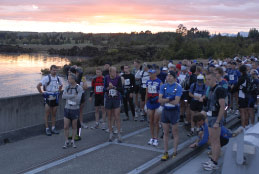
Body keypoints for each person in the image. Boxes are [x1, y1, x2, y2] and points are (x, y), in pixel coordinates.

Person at [202, 71, 226, 171]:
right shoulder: (210, 89)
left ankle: (215, 162)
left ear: (214, 79)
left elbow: (222, 106)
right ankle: (212, 159)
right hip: (210, 116)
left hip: (216, 117)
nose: (207, 81)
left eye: (209, 79)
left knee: (215, 141)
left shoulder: (219, 89)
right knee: (212, 140)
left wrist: (217, 121)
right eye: (206, 79)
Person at [159, 71, 182, 161]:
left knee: (175, 132)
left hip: (174, 111)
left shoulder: (178, 87)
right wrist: (169, 99)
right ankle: (165, 152)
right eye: (168, 76)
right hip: (166, 111)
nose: (169, 77)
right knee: (165, 132)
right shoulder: (163, 86)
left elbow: (176, 102)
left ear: (174, 78)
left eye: (171, 76)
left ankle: (175, 151)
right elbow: (160, 100)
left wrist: (165, 100)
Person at [37, 65, 62, 136]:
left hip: (55, 98)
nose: (55, 71)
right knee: (47, 114)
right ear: (50, 70)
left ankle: (53, 128)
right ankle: (47, 129)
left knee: (54, 114)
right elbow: (38, 86)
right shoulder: (46, 78)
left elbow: (61, 85)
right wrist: (42, 94)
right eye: (53, 70)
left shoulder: (58, 78)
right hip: (48, 98)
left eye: (56, 70)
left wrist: (59, 92)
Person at [62, 73, 84, 148]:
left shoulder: (79, 88)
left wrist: (68, 96)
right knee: (65, 126)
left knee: (74, 126)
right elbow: (63, 96)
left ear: (73, 79)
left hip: (75, 109)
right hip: (67, 109)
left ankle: (73, 140)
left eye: (69, 79)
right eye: (68, 78)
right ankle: (66, 141)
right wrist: (72, 96)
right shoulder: (67, 87)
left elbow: (78, 100)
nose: (68, 80)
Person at [104, 67, 123, 142]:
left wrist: (114, 87)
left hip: (116, 99)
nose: (115, 74)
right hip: (108, 99)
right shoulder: (106, 78)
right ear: (110, 72)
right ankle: (111, 133)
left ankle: (119, 134)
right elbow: (104, 89)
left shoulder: (118, 78)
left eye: (116, 72)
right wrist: (108, 88)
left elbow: (121, 89)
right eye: (113, 72)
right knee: (109, 117)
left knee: (117, 116)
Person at [145, 69, 162, 146]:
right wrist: (145, 103)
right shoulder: (148, 82)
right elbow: (146, 93)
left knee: (156, 121)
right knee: (151, 120)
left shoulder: (159, 81)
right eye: (149, 73)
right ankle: (152, 137)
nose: (150, 75)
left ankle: (156, 138)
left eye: (151, 73)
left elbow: (162, 93)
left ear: (155, 74)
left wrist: (161, 102)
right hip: (150, 102)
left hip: (157, 102)